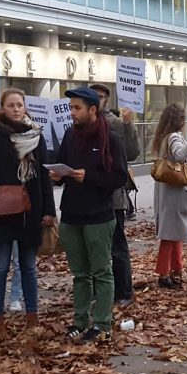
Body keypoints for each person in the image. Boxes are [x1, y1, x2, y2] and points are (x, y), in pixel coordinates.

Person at [0, 90, 56, 331]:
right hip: (2, 210)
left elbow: (44, 175)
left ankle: (32, 316)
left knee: (27, 266)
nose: (16, 109)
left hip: (31, 210)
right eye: (11, 105)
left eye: (19, 104)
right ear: (2, 108)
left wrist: (49, 210)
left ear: (25, 107)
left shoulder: (35, 134)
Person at [50, 87, 128, 343]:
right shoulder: (70, 135)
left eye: (77, 108)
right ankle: (80, 320)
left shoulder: (111, 138)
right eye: (70, 107)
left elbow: (118, 177)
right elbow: (62, 167)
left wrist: (89, 177)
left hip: (99, 215)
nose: (72, 112)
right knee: (79, 273)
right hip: (72, 214)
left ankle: (103, 322)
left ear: (93, 110)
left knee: (101, 271)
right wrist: (58, 175)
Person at [89, 83, 140, 308]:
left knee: (117, 246)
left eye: (100, 97)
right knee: (93, 248)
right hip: (88, 197)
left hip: (113, 198)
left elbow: (133, 153)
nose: (96, 100)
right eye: (93, 96)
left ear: (106, 100)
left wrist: (128, 125)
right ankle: (98, 290)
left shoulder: (117, 123)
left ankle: (124, 291)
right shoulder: (80, 124)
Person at [151, 103, 187, 288]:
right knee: (171, 234)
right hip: (175, 193)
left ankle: (176, 268)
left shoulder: (164, 137)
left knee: (173, 233)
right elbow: (180, 155)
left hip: (168, 191)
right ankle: (164, 272)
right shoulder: (173, 137)